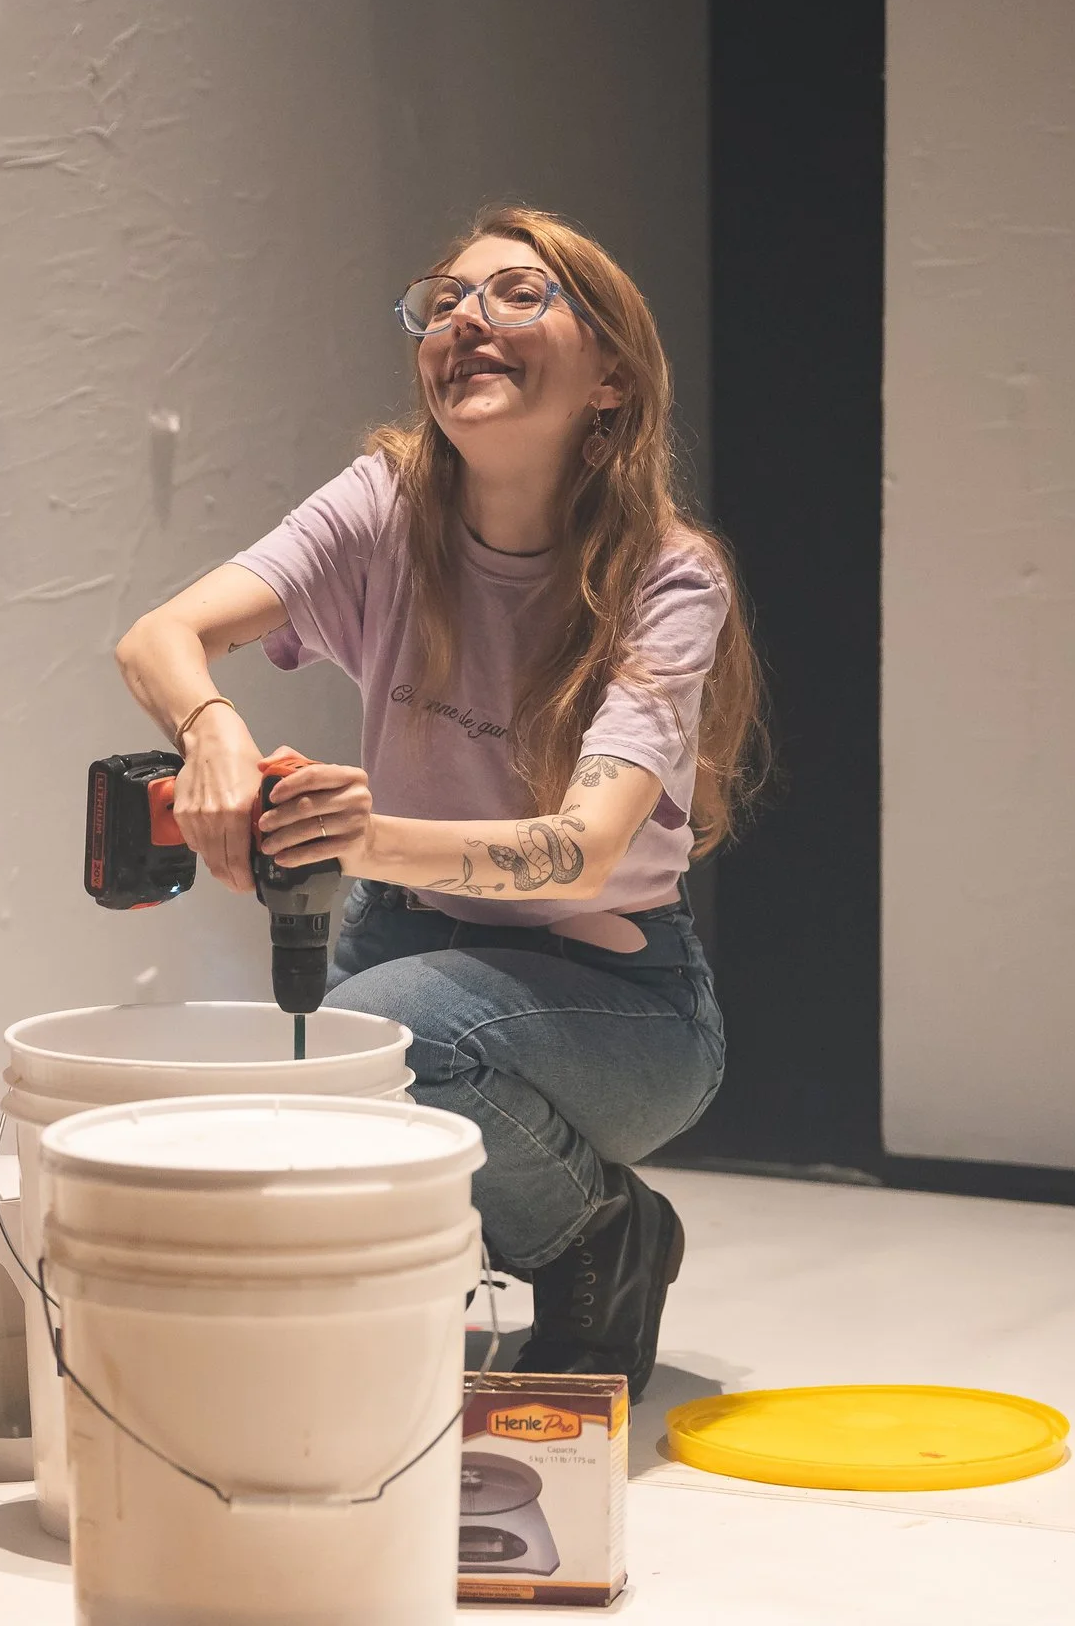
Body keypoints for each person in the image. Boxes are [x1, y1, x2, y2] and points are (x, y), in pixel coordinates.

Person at [114, 208, 764, 1397]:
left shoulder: (668, 575)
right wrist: (211, 727)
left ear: (611, 378)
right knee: (312, 1085)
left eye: (519, 294)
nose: (467, 320)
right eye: (444, 301)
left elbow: (580, 851)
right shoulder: (385, 503)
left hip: (621, 1000)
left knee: (394, 1041)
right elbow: (161, 635)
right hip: (401, 942)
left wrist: (360, 834)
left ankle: (598, 1238)